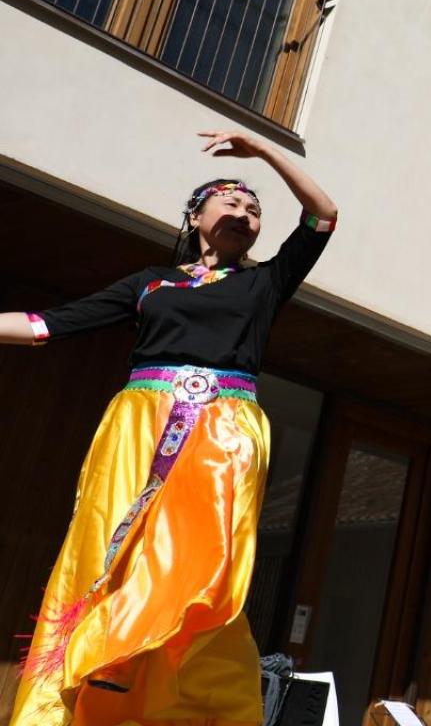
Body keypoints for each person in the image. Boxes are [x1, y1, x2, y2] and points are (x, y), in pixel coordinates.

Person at [3, 131, 337, 726]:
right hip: (138, 425)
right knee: (109, 550)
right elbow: (49, 324)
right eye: (231, 201)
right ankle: (90, 694)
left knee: (199, 564)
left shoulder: (263, 282)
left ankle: (180, 707)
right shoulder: (151, 282)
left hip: (223, 430)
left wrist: (263, 154)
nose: (245, 212)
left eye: (255, 209)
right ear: (196, 215)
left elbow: (323, 215)